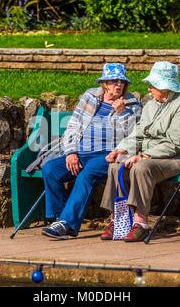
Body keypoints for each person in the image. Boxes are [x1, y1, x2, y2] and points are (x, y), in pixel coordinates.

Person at [100, 61, 180, 242]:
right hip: (152, 156)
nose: (148, 88)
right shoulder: (151, 105)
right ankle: (118, 220)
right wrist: (122, 149)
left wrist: (144, 156)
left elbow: (175, 143)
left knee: (141, 168)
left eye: (152, 85)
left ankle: (141, 224)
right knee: (116, 166)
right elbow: (138, 134)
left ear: (165, 86)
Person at [41, 63, 142, 240]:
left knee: (88, 173)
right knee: (50, 169)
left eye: (121, 82)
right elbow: (73, 126)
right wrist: (71, 152)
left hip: (109, 155)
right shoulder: (89, 97)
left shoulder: (132, 104)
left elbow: (134, 136)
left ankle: (68, 224)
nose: (117, 85)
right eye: (113, 81)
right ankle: (60, 219)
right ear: (104, 83)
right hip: (80, 152)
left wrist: (122, 113)